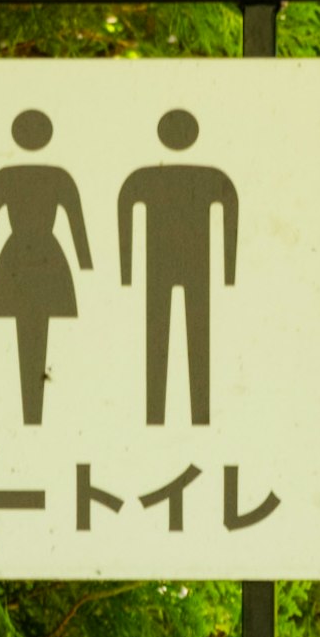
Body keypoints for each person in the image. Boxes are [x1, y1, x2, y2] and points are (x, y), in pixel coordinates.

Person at [117, 104, 240, 426]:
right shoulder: (211, 177)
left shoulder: (143, 177)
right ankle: (188, 415)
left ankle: (159, 415)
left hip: (161, 264)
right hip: (193, 265)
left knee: (160, 335)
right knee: (193, 336)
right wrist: (228, 271)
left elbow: (124, 214)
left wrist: (127, 271)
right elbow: (231, 217)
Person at [0, 108, 92, 423]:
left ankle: (34, 416)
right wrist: (84, 261)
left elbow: (76, 222)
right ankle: (30, 416)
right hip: (36, 256)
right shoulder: (53, 176)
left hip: (27, 256)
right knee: (30, 330)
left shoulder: (8, 176)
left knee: (35, 330)